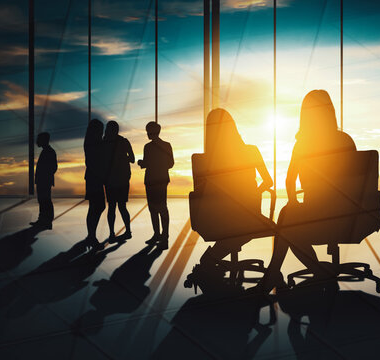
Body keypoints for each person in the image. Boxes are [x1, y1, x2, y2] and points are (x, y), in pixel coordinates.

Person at [259, 90, 357, 292]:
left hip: (319, 215)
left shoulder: (302, 144)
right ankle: (304, 272)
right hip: (348, 216)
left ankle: (283, 273)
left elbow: (289, 179)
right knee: (288, 220)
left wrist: (294, 202)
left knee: (287, 219)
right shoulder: (346, 141)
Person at [193, 108, 274, 272]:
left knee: (240, 228)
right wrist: (255, 192)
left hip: (214, 218)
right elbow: (268, 181)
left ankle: (212, 257)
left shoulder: (205, 160)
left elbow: (200, 193)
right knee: (248, 228)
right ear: (233, 127)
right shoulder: (251, 151)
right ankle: (212, 257)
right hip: (247, 215)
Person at [138, 122, 174, 249]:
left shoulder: (148, 147)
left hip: (152, 180)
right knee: (160, 207)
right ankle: (163, 235)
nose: (147, 134)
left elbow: (147, 163)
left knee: (155, 208)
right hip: (161, 179)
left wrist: (143, 163)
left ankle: (159, 235)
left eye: (148, 131)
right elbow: (171, 163)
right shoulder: (166, 145)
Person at [102, 121, 134, 242]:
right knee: (122, 206)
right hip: (123, 179)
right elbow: (132, 159)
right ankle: (128, 231)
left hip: (110, 180)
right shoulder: (124, 142)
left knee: (111, 207)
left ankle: (111, 233)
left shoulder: (104, 143)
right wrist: (122, 158)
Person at [84, 119, 106, 249]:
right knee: (97, 206)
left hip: (94, 177)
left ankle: (91, 235)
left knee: (95, 206)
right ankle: (91, 236)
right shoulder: (93, 143)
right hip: (94, 178)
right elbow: (92, 162)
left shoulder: (91, 142)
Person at [30, 132, 57, 230]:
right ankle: (44, 220)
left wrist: (44, 176)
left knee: (45, 200)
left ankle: (46, 221)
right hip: (44, 180)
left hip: (44, 181)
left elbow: (53, 167)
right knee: (43, 200)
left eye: (39, 139)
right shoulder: (48, 151)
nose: (37, 141)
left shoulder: (49, 152)